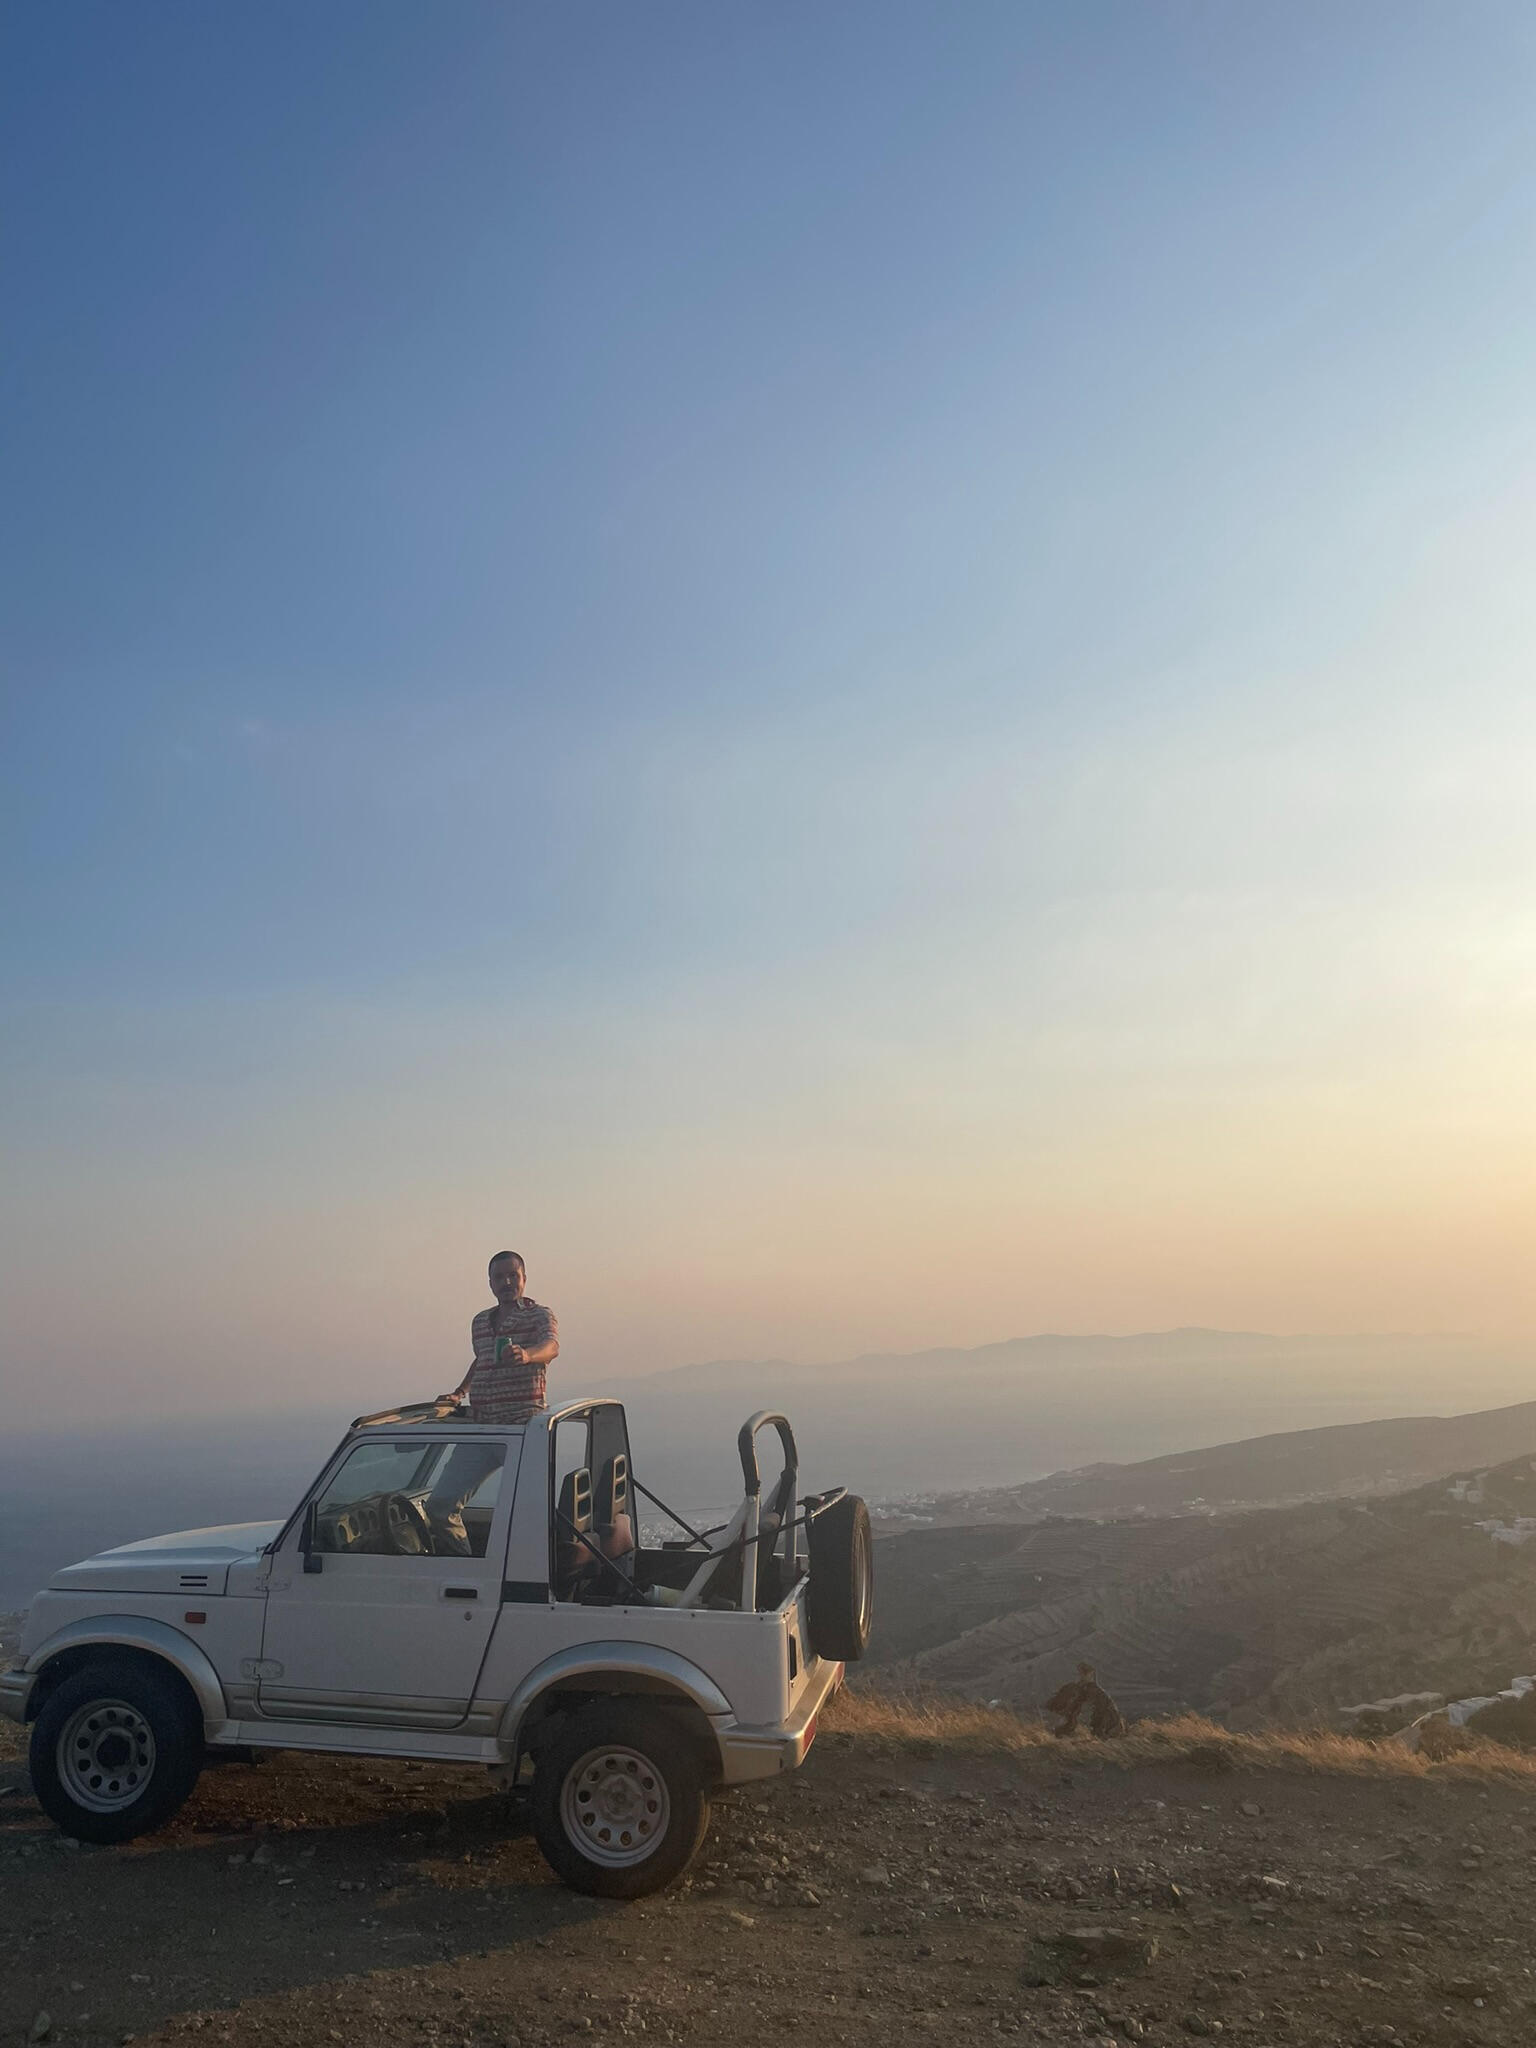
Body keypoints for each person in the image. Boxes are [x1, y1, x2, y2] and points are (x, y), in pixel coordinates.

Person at [425, 1251, 561, 1554]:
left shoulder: (539, 1315)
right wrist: (459, 1392)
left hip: (522, 1427)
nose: (507, 1282)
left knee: (525, 1515)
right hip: (483, 1425)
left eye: (513, 1275)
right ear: (490, 1283)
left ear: (524, 1279)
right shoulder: (480, 1322)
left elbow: (551, 1347)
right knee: (440, 1505)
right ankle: (468, 1567)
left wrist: (526, 1355)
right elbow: (482, 1359)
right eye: (499, 1277)